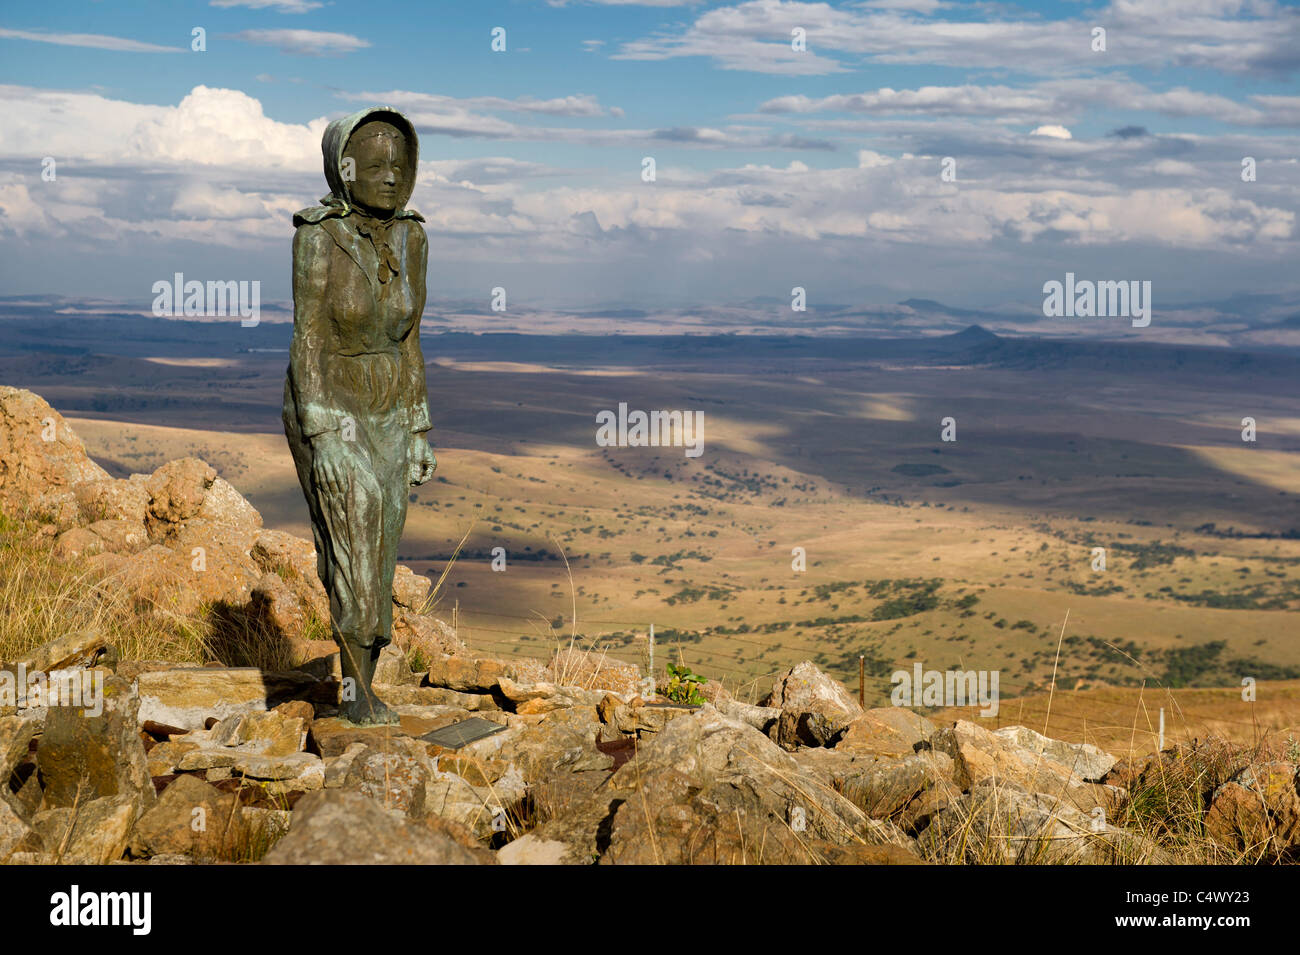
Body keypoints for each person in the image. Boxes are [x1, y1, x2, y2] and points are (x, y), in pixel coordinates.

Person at [282, 107, 437, 725]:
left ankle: (361, 683)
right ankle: (355, 696)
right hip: (329, 402)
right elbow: (308, 339)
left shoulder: (413, 237)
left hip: (392, 404)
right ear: (343, 169)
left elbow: (413, 337)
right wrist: (321, 427)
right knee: (354, 530)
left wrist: (420, 425)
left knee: (380, 544)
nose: (392, 177)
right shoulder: (317, 235)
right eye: (375, 165)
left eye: (400, 165)